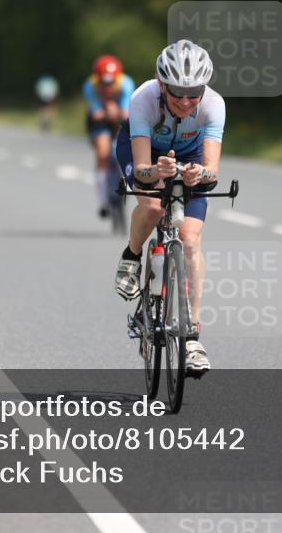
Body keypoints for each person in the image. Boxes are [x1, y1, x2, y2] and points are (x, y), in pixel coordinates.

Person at [113, 40, 224, 374]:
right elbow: (144, 168)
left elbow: (212, 171)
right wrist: (155, 173)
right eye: (178, 92)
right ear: (162, 84)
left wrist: (198, 174)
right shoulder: (143, 99)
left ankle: (191, 335)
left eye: (195, 92)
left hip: (189, 157)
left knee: (190, 239)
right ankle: (132, 256)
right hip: (144, 152)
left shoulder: (214, 105)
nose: (187, 101)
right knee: (151, 206)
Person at [83, 55, 135, 218]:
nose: (107, 87)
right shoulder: (89, 87)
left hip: (120, 116)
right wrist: (106, 111)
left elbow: (126, 114)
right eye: (103, 84)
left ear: (118, 80)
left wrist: (117, 112)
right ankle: (103, 200)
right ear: (96, 80)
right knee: (103, 153)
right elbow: (96, 114)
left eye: (111, 83)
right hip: (101, 120)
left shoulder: (127, 85)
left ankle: (126, 175)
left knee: (126, 143)